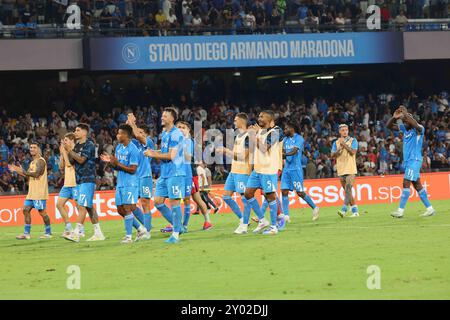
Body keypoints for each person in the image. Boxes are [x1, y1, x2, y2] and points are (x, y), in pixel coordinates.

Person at [144, 108, 186, 244]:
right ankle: (178, 226)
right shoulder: (165, 134)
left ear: (172, 119)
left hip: (175, 172)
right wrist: (153, 151)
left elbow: (171, 156)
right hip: (165, 173)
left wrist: (153, 154)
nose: (162, 117)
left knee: (174, 202)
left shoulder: (176, 134)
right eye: (162, 115)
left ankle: (175, 233)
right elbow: (163, 152)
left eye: (165, 116)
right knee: (157, 202)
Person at [101, 124, 147, 243]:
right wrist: (111, 162)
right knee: (120, 209)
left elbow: (132, 169)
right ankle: (141, 228)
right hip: (120, 182)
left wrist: (117, 163)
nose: (117, 135)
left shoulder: (133, 150)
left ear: (126, 135)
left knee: (128, 208)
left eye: (120, 133)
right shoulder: (119, 148)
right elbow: (117, 166)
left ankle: (128, 237)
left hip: (131, 182)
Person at [387, 106, 436, 218]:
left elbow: (412, 122)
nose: (404, 122)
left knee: (406, 182)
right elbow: (388, 126)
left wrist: (405, 114)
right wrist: (394, 117)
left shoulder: (419, 129)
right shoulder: (404, 130)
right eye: (404, 121)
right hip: (409, 161)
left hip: (415, 160)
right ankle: (430, 209)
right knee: (417, 184)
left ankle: (400, 211)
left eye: (406, 120)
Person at [240, 110, 283, 235]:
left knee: (270, 197)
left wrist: (254, 135)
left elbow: (264, 148)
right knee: (248, 193)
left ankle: (274, 227)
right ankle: (263, 220)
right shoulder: (260, 132)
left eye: (262, 117)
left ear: (270, 120)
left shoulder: (275, 132)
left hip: (268, 170)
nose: (259, 118)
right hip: (258, 169)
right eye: (258, 116)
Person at [63, 123, 105, 242]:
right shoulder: (76, 147)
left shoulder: (89, 145)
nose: (75, 132)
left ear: (84, 132)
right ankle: (98, 233)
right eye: (75, 130)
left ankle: (76, 233)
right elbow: (71, 162)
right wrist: (66, 150)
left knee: (81, 205)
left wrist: (70, 150)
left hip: (88, 178)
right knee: (89, 207)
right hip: (80, 180)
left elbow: (81, 160)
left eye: (77, 130)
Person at [216, 113, 251, 233]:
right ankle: (242, 219)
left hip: (242, 171)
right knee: (226, 196)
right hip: (234, 171)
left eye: (236, 120)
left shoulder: (248, 136)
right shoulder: (239, 136)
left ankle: (245, 225)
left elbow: (243, 156)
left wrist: (226, 151)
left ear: (242, 121)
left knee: (245, 199)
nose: (234, 122)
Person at [9, 143, 52, 240]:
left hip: (39, 192)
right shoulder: (32, 163)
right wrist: (16, 169)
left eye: (34, 148)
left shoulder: (41, 161)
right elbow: (27, 174)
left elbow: (36, 174)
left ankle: (48, 233)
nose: (32, 149)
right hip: (31, 192)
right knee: (25, 210)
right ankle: (26, 233)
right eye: (31, 147)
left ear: (38, 150)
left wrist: (22, 171)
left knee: (42, 212)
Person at [176, 121, 213, 232]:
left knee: (193, 199)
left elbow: (189, 157)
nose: (181, 129)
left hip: (190, 174)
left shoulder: (190, 142)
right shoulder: (177, 141)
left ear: (188, 130)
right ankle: (180, 225)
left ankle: (187, 225)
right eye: (178, 127)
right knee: (183, 199)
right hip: (178, 174)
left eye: (183, 127)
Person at [280, 123, 320, 223]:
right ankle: (286, 216)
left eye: (286, 128)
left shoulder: (299, 138)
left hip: (295, 169)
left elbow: (294, 151)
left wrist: (285, 155)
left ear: (292, 128)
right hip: (286, 169)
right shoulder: (285, 140)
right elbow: (282, 151)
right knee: (284, 191)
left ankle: (315, 207)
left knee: (300, 192)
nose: (284, 131)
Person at [127, 114, 155, 241]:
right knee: (130, 205)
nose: (139, 134)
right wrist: (128, 124)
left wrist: (133, 123)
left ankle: (147, 231)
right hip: (133, 177)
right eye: (138, 132)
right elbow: (126, 136)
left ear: (146, 134)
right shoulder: (133, 143)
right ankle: (144, 227)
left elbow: (137, 135)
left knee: (145, 203)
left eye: (142, 132)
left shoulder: (148, 141)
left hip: (145, 176)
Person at [331, 124, 359, 218]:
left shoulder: (353, 140)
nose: (345, 132)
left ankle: (343, 210)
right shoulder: (336, 143)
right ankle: (355, 211)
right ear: (339, 132)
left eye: (346, 130)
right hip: (341, 169)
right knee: (348, 192)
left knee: (348, 189)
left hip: (350, 169)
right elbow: (332, 155)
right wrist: (338, 150)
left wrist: (344, 145)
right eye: (343, 130)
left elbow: (353, 152)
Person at [56, 133, 78, 237]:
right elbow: (61, 167)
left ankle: (80, 229)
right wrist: (61, 154)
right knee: (59, 204)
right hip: (67, 184)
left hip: (75, 183)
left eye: (65, 140)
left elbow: (69, 164)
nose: (63, 142)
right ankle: (69, 228)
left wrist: (64, 152)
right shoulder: (65, 152)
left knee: (80, 207)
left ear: (71, 140)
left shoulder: (75, 151)